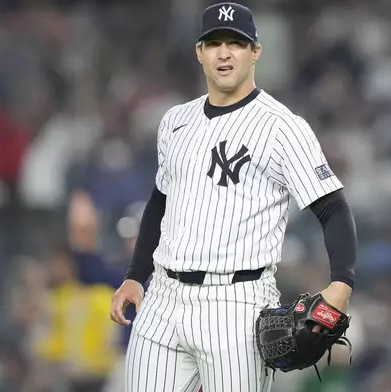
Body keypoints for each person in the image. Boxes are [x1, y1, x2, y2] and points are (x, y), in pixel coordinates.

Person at [109, 3, 357, 391]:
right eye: (214, 43)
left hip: (237, 302)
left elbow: (332, 207)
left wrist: (341, 283)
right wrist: (135, 276)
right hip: (163, 297)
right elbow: (160, 201)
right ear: (199, 52)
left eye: (236, 43)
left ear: (255, 52)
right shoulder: (175, 121)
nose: (224, 53)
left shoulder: (282, 127)